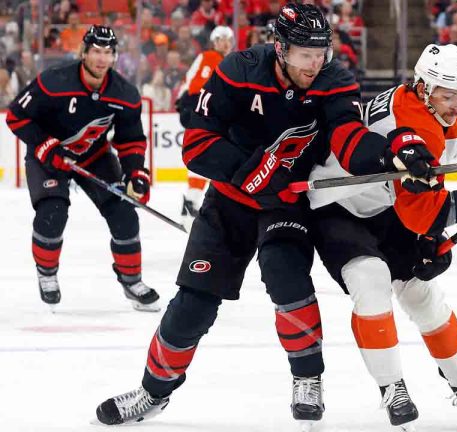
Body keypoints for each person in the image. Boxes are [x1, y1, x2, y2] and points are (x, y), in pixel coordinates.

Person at [93, 4, 436, 428]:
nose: (315, 63)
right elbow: (197, 144)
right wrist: (249, 170)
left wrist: (390, 154)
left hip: (285, 202)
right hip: (230, 201)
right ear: (280, 48)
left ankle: (308, 378)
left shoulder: (334, 79)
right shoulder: (240, 69)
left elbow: (348, 136)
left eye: (321, 52)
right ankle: (152, 392)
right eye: (304, 53)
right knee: (193, 303)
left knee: (285, 274)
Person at [307, 43, 457, 430]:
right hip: (338, 208)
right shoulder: (419, 125)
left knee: (422, 294)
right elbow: (422, 214)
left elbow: (423, 205)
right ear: (421, 87)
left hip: (387, 209)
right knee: (371, 283)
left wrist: (436, 238)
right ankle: (392, 386)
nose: (455, 103)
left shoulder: (439, 118)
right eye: (447, 95)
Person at [4, 25, 159, 312]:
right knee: (53, 213)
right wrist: (45, 146)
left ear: (114, 57)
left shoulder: (125, 93)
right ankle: (47, 273)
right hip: (48, 156)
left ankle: (131, 279)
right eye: (96, 52)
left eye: (108, 53)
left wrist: (136, 172)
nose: (102, 59)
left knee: (124, 213)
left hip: (94, 157)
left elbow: (131, 140)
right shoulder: (54, 81)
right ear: (84, 52)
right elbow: (16, 116)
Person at [175, 25, 234, 230]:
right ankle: (191, 204)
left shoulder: (228, 61)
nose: (225, 43)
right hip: (202, 115)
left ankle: (191, 204)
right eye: (221, 39)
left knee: (205, 160)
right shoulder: (209, 57)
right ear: (214, 42)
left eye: (228, 39)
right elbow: (194, 86)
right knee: (204, 159)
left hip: (209, 116)